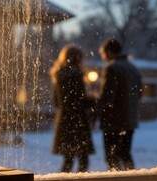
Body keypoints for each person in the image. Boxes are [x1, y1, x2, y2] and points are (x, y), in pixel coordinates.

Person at [98, 38, 142, 171]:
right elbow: (138, 95)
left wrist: (96, 106)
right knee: (125, 153)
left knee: (112, 156)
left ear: (109, 52)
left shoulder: (112, 68)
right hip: (130, 120)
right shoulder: (134, 69)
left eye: (103, 54)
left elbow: (107, 97)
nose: (103, 58)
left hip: (113, 121)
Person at [50, 45, 95, 173]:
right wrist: (94, 100)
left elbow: (56, 102)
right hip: (78, 120)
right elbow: (80, 100)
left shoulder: (58, 75)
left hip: (64, 119)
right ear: (78, 59)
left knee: (68, 159)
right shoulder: (76, 75)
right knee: (83, 159)